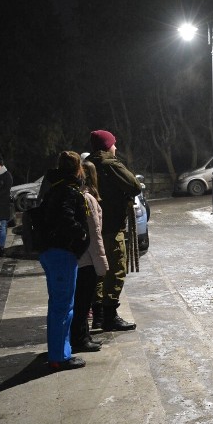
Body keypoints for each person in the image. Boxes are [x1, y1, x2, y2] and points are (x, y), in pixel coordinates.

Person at [39, 151, 91, 370]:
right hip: (62, 253)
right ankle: (60, 357)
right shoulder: (67, 191)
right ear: (78, 169)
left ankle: (57, 352)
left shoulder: (53, 187)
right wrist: (82, 235)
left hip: (51, 252)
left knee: (57, 305)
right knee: (63, 306)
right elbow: (66, 218)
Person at [86, 130, 141, 332]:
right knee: (116, 269)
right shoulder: (111, 164)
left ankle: (98, 316)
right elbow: (135, 186)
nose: (116, 147)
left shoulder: (87, 164)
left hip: (93, 228)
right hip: (112, 226)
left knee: (98, 272)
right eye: (113, 144)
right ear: (107, 145)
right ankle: (110, 316)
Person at [71, 160, 108, 353]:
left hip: (77, 258)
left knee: (80, 301)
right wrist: (101, 261)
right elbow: (95, 233)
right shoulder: (88, 199)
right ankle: (80, 338)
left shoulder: (75, 196)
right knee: (83, 301)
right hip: (87, 259)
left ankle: (82, 336)